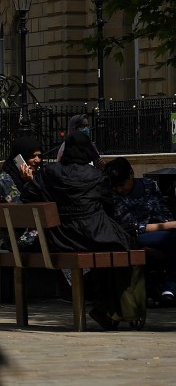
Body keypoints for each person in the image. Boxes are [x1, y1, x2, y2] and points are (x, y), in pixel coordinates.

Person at [22, 132, 135, 329]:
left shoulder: (48, 173)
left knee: (111, 250)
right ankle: (109, 306)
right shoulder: (97, 176)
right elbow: (109, 208)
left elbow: (27, 198)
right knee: (123, 246)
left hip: (61, 238)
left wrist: (29, 181)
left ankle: (101, 304)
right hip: (95, 237)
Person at [105, 157, 176, 306]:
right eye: (116, 186)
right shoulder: (114, 196)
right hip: (134, 237)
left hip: (162, 232)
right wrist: (169, 226)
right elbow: (132, 227)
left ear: (131, 174)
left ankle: (168, 289)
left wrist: (169, 224)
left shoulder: (150, 185)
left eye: (122, 184)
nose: (119, 189)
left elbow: (162, 210)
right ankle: (169, 288)